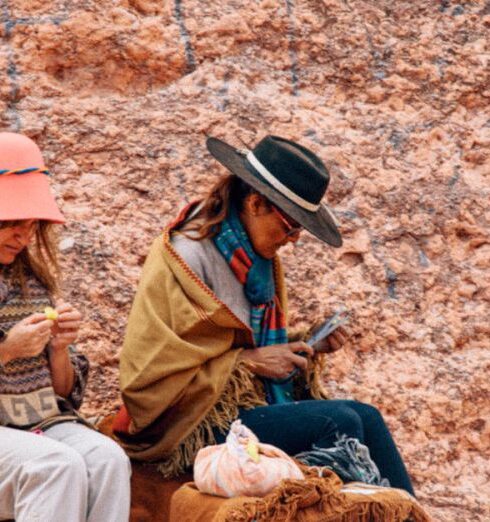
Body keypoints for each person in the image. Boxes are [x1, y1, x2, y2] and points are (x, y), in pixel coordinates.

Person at [116, 134, 414, 495]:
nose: (293, 240)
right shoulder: (187, 256)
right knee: (337, 421)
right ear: (256, 203)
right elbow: (153, 373)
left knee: (366, 416)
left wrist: (305, 345)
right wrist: (247, 363)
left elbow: (242, 340)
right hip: (186, 420)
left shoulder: (255, 259)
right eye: (290, 227)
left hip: (244, 404)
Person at [0, 132, 131, 522]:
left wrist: (58, 349)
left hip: (32, 422)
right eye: (11, 222)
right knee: (57, 465)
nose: (23, 236)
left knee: (107, 459)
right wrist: (8, 350)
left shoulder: (31, 282)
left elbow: (61, 394)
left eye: (31, 224)